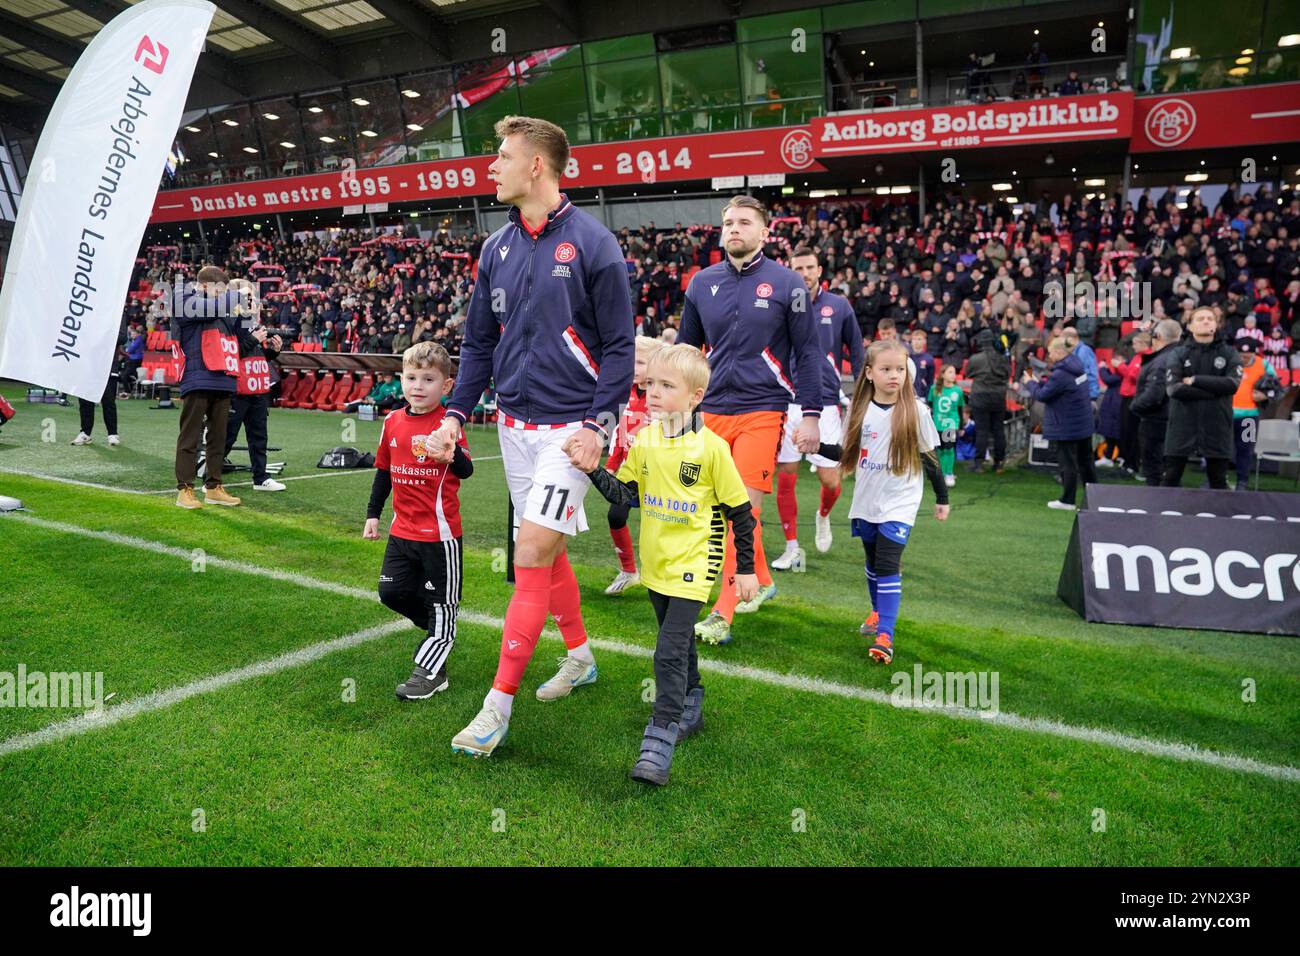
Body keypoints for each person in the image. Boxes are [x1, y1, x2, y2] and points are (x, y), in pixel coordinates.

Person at [427, 115, 635, 759]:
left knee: (530, 558)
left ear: (536, 166)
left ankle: (496, 708)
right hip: (513, 429)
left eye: (502, 155)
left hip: (569, 431)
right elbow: (479, 343)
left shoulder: (596, 245)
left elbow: (622, 347)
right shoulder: (496, 248)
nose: (491, 166)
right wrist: (456, 415)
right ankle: (580, 656)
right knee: (550, 553)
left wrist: (600, 426)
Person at [578, 345, 757, 786]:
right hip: (656, 563)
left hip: (696, 564)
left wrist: (747, 570)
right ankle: (693, 695)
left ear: (696, 396)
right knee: (674, 644)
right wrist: (591, 468)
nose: (652, 392)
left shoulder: (712, 449)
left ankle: (659, 740)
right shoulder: (646, 440)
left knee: (668, 651)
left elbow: (741, 513)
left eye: (665, 386)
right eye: (650, 384)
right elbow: (625, 496)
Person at [677, 197, 823, 645]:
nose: (734, 229)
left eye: (744, 222)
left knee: (741, 510)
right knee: (712, 509)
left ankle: (723, 612)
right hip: (712, 410)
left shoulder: (787, 284)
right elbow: (686, 351)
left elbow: (808, 352)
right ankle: (760, 576)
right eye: (728, 223)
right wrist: (673, 407)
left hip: (763, 409)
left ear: (764, 232)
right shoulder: (702, 283)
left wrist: (812, 414)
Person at [363, 342, 474, 700]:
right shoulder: (392, 421)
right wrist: (372, 516)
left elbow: (466, 470)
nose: (418, 386)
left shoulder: (448, 425)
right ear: (401, 380)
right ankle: (439, 634)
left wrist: (450, 453)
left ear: (446, 386)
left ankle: (431, 671)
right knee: (390, 591)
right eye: (411, 377)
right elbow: (383, 472)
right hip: (401, 532)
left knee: (443, 604)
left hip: (440, 537)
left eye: (428, 379)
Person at [842, 340, 951, 664]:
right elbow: (846, 452)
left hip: (901, 501)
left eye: (900, 369)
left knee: (889, 562)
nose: (894, 375)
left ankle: (885, 634)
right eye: (886, 369)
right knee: (873, 560)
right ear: (869, 373)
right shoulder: (859, 409)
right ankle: (877, 612)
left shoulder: (916, 410)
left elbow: (930, 458)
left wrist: (942, 497)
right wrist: (815, 445)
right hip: (866, 499)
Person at [771, 246, 864, 572]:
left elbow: (857, 349)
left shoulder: (838, 306)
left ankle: (823, 515)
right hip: (788, 402)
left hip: (825, 405)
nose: (805, 274)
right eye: (798, 268)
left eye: (810, 267)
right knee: (786, 476)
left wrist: (864, 394)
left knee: (830, 480)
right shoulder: (779, 306)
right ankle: (792, 547)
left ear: (820, 270)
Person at [172, 265, 270, 509]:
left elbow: (240, 340)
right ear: (205, 285)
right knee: (190, 436)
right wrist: (237, 294)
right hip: (197, 377)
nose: (223, 294)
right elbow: (208, 308)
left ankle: (214, 487)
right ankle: (184, 490)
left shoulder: (225, 305)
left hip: (224, 378)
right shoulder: (183, 297)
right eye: (221, 290)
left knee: (218, 437)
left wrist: (250, 314)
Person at [602, 335, 663, 594]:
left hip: (658, 475)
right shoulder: (625, 392)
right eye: (632, 362)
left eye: (640, 363)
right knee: (615, 515)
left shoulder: (662, 395)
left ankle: (666, 578)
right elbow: (620, 435)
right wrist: (611, 465)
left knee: (660, 525)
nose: (634, 368)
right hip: (630, 471)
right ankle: (629, 570)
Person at [1162, 307, 1242, 489]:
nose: (1206, 321)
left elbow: (1232, 385)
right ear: (1189, 326)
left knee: (1218, 480)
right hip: (1182, 424)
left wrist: (1195, 380)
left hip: (1217, 425)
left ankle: (1222, 517)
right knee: (1171, 477)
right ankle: (1164, 517)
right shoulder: (1178, 354)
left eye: (1209, 318)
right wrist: (1215, 391)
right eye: (1200, 319)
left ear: (1216, 324)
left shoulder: (1230, 353)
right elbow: (1174, 389)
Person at [224, 279, 285, 492]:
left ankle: (261, 478)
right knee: (227, 435)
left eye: (253, 296)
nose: (253, 300)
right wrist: (253, 340)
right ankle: (211, 478)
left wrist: (273, 352)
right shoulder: (229, 322)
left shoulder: (251, 322)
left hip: (257, 387)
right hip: (237, 389)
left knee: (259, 436)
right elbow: (229, 353)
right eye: (247, 296)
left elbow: (254, 356)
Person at [1022, 336, 1096, 510]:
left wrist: (1030, 383)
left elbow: (1042, 395)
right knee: (1086, 462)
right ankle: (1095, 498)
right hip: (1082, 422)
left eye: (1050, 352)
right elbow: (1055, 389)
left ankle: (1068, 500)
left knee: (1068, 463)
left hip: (1067, 425)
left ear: (1058, 352)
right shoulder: (1076, 364)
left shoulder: (1061, 374)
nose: (1048, 356)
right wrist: (1041, 383)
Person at [1130, 319, 1184, 486]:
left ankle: (1158, 507)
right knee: (1169, 471)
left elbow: (1154, 395)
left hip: (1157, 421)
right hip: (1174, 418)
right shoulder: (1179, 355)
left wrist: (1134, 406)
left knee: (1154, 471)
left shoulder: (1163, 360)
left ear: (1158, 336)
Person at [1231, 339, 1277, 490]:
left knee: (1246, 449)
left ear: (1254, 354)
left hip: (1249, 416)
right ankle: (1214, 480)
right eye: (1241, 355)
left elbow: (1276, 387)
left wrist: (1266, 396)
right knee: (1220, 448)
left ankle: (1242, 482)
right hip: (1225, 414)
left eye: (1247, 356)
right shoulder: (1229, 361)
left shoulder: (1263, 365)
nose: (1243, 359)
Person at [965, 329, 1010, 473]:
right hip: (998, 397)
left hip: (980, 396)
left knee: (982, 430)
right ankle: (999, 462)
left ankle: (978, 464)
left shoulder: (976, 358)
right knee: (998, 430)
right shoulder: (1002, 357)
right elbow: (1008, 374)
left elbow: (969, 373)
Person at [928, 362, 966, 487]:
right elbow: (929, 407)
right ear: (943, 374)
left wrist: (960, 426)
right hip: (937, 424)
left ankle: (949, 473)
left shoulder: (957, 390)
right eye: (950, 372)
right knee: (939, 449)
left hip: (950, 425)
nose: (953, 375)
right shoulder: (934, 389)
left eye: (954, 372)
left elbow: (960, 409)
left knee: (949, 448)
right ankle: (941, 473)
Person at [70, 374, 121, 448]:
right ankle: (85, 434)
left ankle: (113, 434)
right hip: (86, 371)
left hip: (108, 370)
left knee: (108, 401)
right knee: (85, 401)